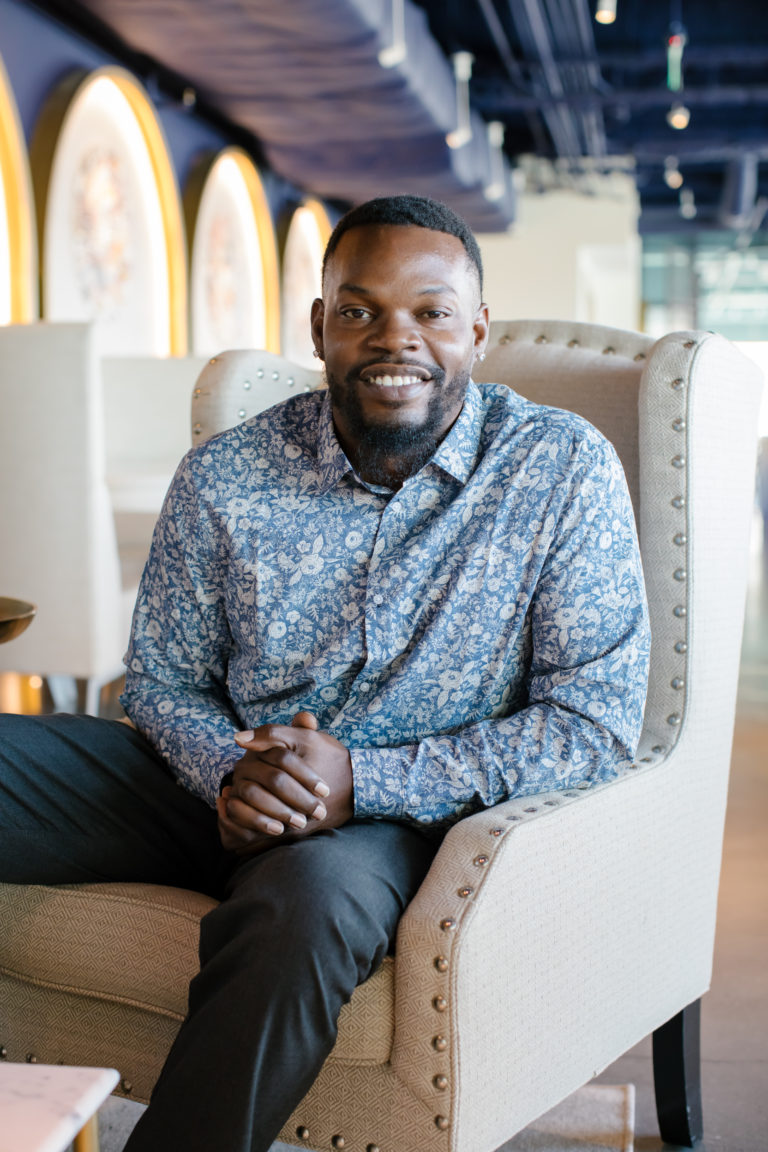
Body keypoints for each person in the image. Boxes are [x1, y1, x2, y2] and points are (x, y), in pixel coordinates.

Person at [0, 195, 650, 1152]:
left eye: (431, 312)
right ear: (319, 327)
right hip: (209, 779)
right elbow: (163, 681)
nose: (396, 338)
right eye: (359, 310)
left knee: (303, 908)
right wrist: (234, 773)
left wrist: (359, 781)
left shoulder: (558, 472)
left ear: (477, 330)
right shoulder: (225, 473)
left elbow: (592, 724)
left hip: (392, 824)